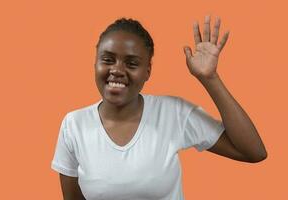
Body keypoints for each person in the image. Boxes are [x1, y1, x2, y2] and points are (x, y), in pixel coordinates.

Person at [51, 15, 267, 200]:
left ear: (148, 71)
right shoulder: (74, 125)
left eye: (132, 63)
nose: (117, 70)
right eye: (107, 59)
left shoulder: (173, 113)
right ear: (95, 63)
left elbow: (253, 152)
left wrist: (210, 78)